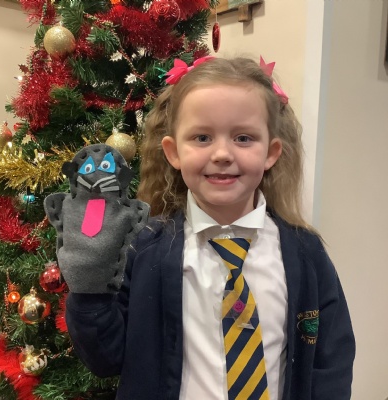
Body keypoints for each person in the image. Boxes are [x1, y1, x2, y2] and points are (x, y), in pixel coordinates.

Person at [65, 57, 355, 400]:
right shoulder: (141, 248)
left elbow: (331, 362)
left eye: (243, 138)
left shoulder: (306, 253)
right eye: (202, 137)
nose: (222, 154)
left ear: (271, 152)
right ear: (173, 151)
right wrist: (90, 286)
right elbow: (105, 358)